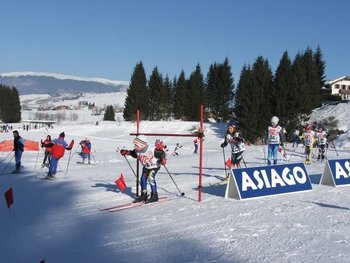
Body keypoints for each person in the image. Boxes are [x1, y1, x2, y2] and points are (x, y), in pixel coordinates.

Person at [120, 135, 166, 203]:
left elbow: (162, 154)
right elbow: (133, 154)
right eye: (134, 145)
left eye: (136, 145)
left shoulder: (152, 150)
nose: (135, 147)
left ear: (142, 145)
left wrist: (163, 159)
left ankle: (154, 195)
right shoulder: (137, 150)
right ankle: (143, 194)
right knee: (143, 179)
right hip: (146, 167)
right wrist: (126, 152)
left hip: (154, 166)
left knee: (150, 178)